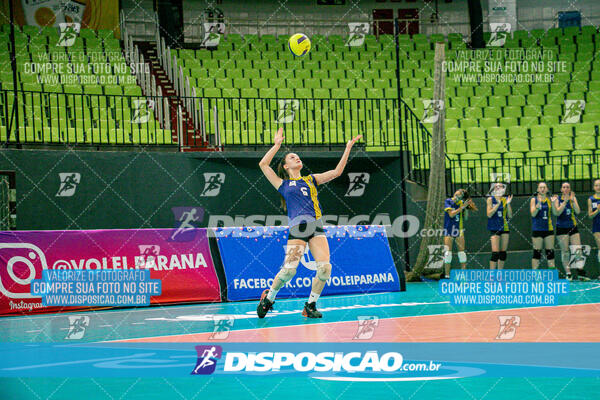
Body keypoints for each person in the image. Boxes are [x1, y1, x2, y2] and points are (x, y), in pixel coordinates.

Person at [256, 127, 362, 318]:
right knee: (288, 272)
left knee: (325, 268)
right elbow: (263, 164)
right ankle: (269, 298)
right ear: (286, 167)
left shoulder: (311, 180)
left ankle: (310, 305)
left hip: (316, 227)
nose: (297, 158)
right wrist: (276, 145)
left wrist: (347, 148)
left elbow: (337, 172)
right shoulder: (283, 184)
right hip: (297, 229)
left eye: (297, 157)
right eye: (292, 158)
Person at [443, 188, 477, 277]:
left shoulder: (462, 203)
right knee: (447, 254)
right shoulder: (448, 201)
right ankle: (447, 275)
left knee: (462, 253)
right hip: (449, 230)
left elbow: (465, 218)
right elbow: (451, 214)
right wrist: (461, 207)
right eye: (459, 191)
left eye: (461, 193)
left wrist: (466, 208)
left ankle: (463, 275)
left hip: (459, 230)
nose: (459, 192)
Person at [555, 182, 581, 280]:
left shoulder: (573, 199)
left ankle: (580, 271)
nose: (565, 189)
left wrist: (573, 201)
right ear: (561, 189)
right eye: (564, 187)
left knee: (577, 249)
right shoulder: (557, 199)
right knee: (565, 251)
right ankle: (568, 273)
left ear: (570, 189)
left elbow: (578, 211)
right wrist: (565, 202)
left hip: (573, 226)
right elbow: (557, 212)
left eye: (567, 187)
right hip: (561, 228)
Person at [530, 182, 558, 269]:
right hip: (537, 229)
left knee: (550, 252)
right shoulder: (534, 200)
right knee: (537, 253)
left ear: (547, 189)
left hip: (548, 229)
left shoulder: (551, 199)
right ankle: (536, 276)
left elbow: (555, 213)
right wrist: (537, 207)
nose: (542, 189)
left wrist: (553, 203)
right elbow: (533, 214)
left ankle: (552, 274)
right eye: (540, 187)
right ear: (538, 189)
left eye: (544, 187)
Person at [486, 182, 512, 269]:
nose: (498, 188)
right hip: (494, 227)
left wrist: (508, 204)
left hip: (504, 227)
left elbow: (510, 215)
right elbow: (489, 214)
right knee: (495, 253)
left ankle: (500, 273)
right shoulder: (490, 199)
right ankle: (492, 275)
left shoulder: (505, 200)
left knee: (503, 253)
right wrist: (497, 204)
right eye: (496, 187)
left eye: (501, 187)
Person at [587, 179, 600, 276]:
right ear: (593, 187)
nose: (598, 187)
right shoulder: (591, 199)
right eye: (596, 185)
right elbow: (590, 215)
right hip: (597, 227)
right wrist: (598, 210)